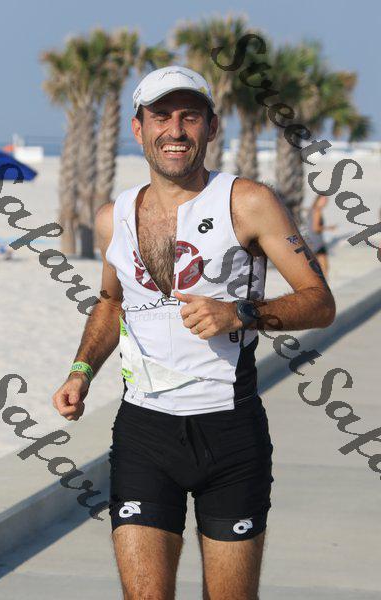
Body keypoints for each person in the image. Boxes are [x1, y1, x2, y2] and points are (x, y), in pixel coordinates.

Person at [52, 65, 336, 600]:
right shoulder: (115, 216)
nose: (175, 130)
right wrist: (81, 371)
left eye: (190, 116)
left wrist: (242, 313)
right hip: (143, 432)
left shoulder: (248, 202)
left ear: (211, 126)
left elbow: (320, 302)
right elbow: (112, 302)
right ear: (138, 128)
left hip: (230, 432)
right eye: (161, 116)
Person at [308, 194, 337, 280]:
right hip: (317, 243)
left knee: (316, 267)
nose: (325, 202)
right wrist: (329, 228)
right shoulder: (317, 211)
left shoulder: (312, 210)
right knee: (324, 268)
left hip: (313, 241)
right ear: (318, 200)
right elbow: (315, 228)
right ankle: (323, 285)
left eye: (326, 200)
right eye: (323, 200)